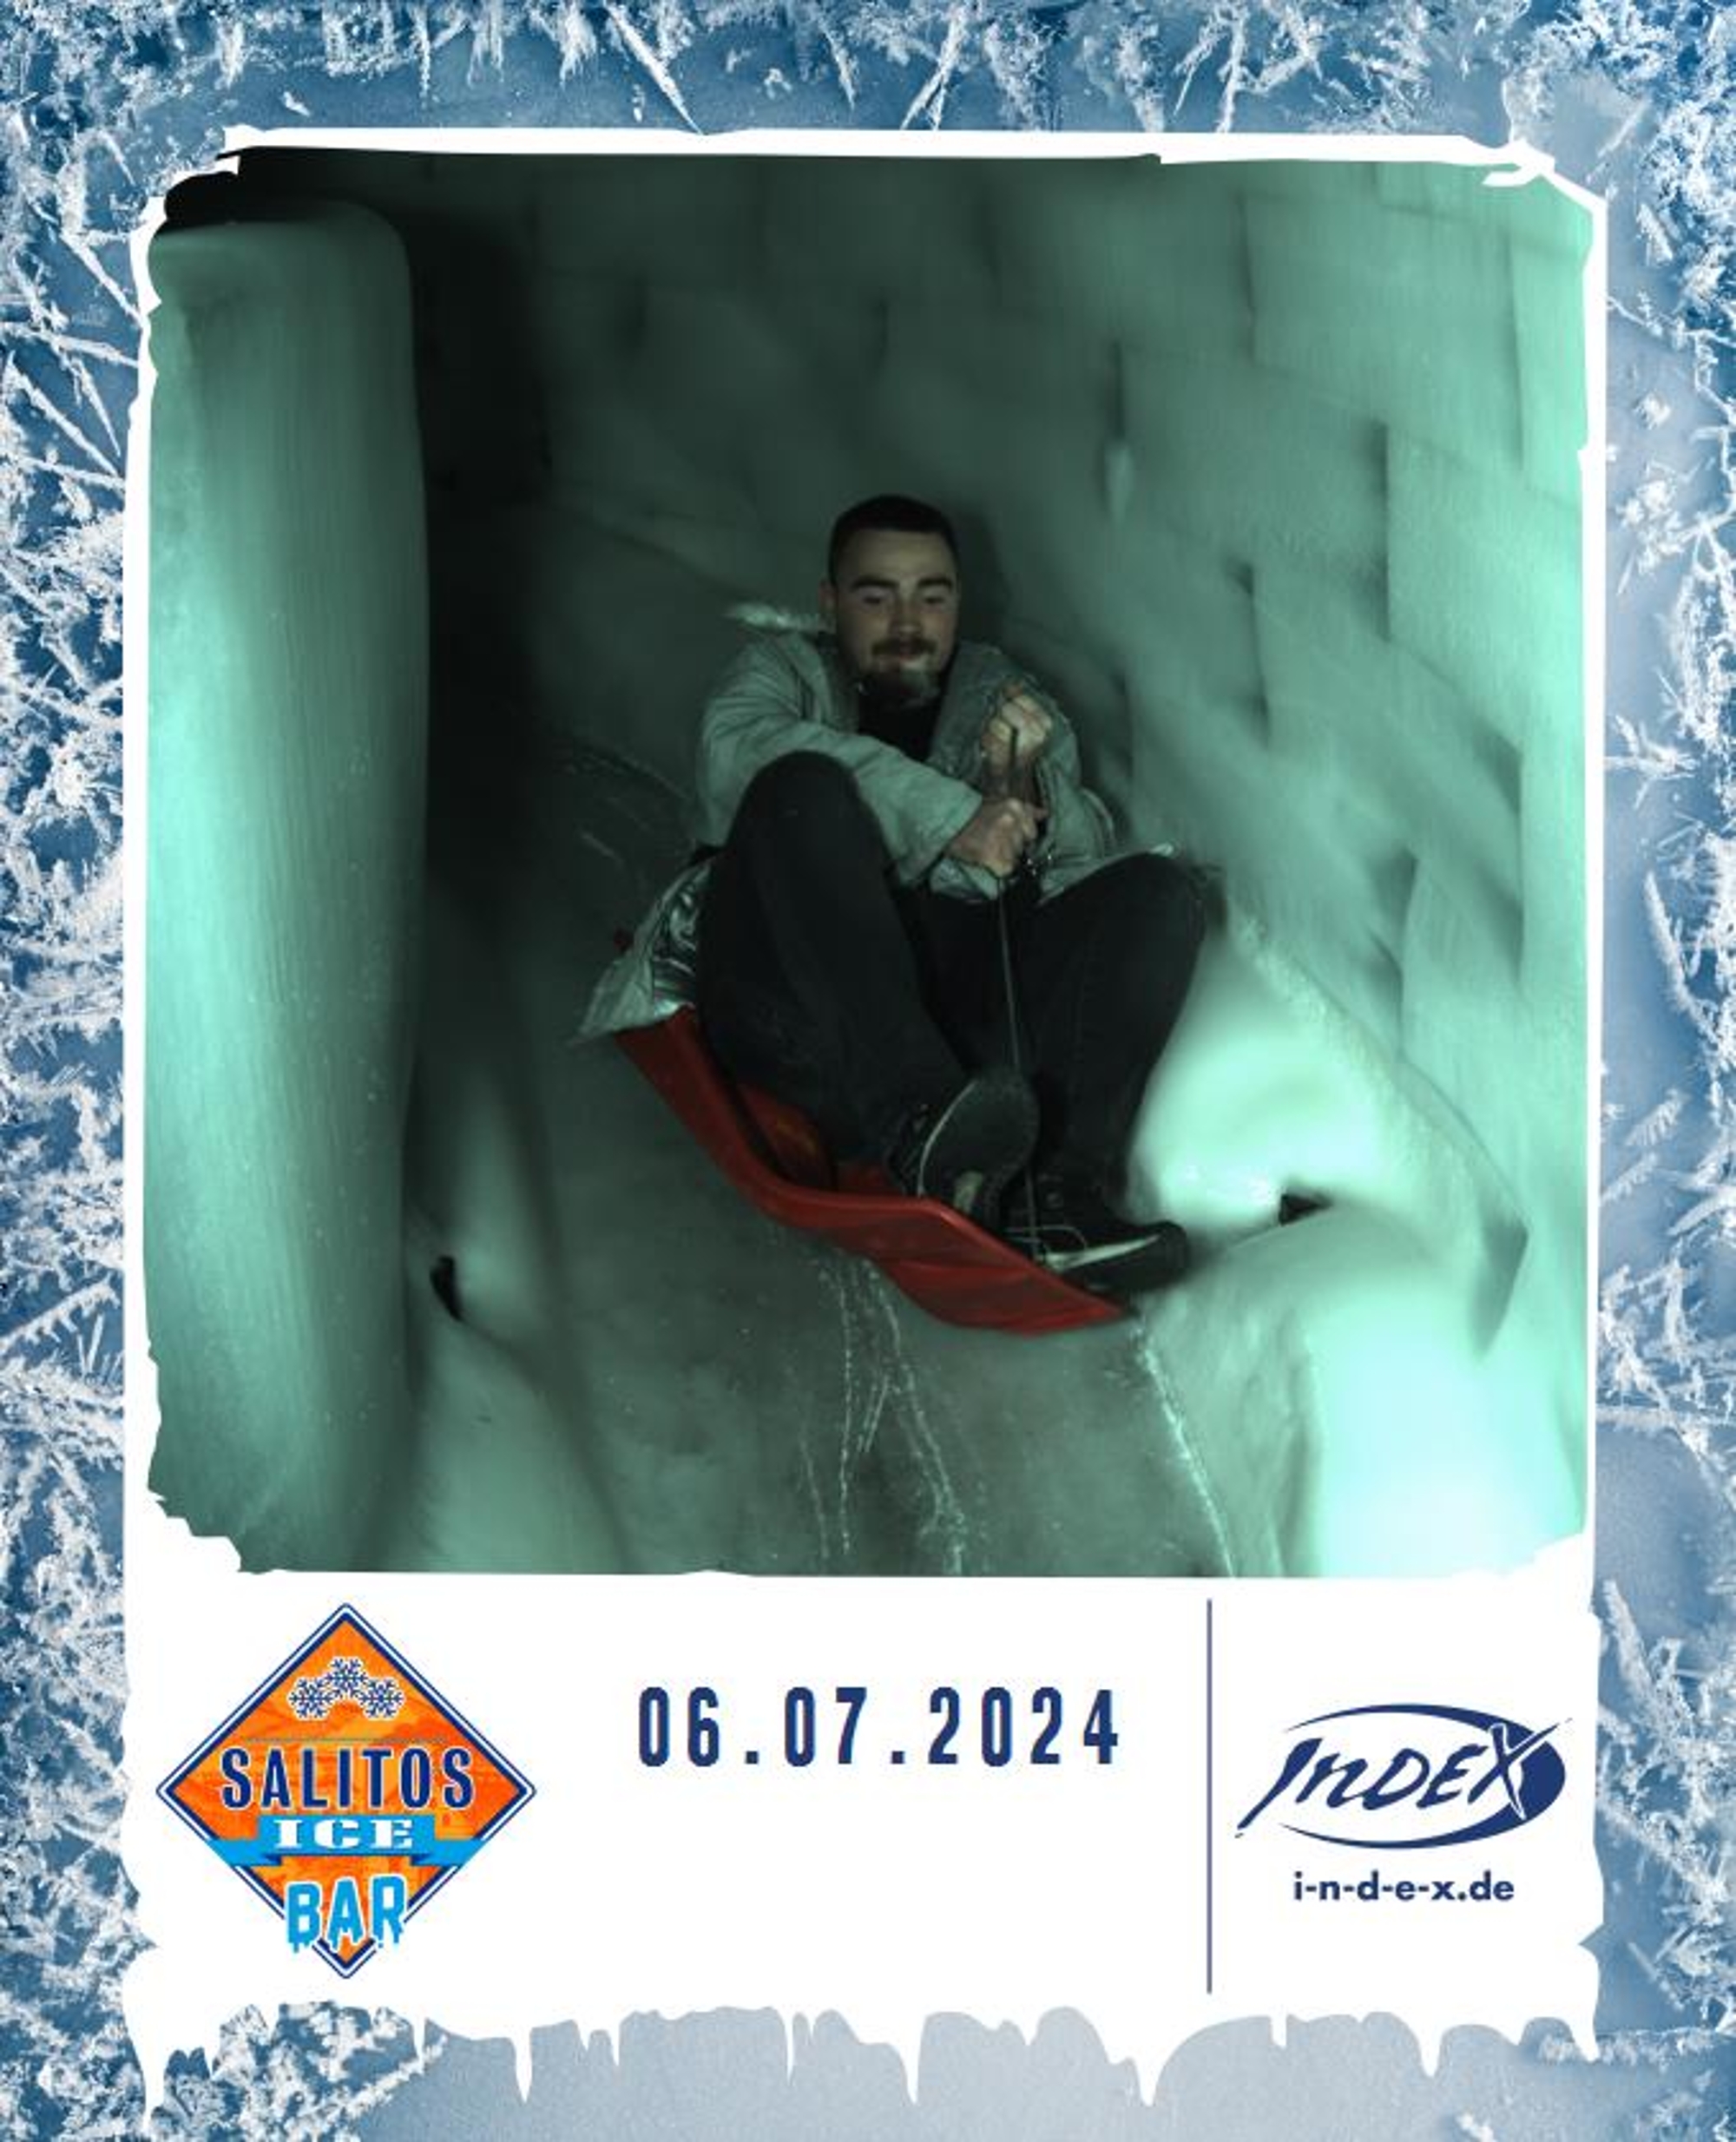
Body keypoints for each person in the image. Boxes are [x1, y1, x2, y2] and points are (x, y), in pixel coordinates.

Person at [589, 495, 1209, 1298]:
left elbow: (1078, 861)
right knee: (802, 787)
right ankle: (919, 1127)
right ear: (830, 603)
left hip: (960, 1047)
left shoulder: (997, 697)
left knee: (1159, 893)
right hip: (796, 1023)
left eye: (932, 596)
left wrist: (1020, 796)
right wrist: (953, 818)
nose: (908, 622)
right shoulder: (782, 674)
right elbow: (733, 754)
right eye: (877, 596)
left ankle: (1053, 1197)